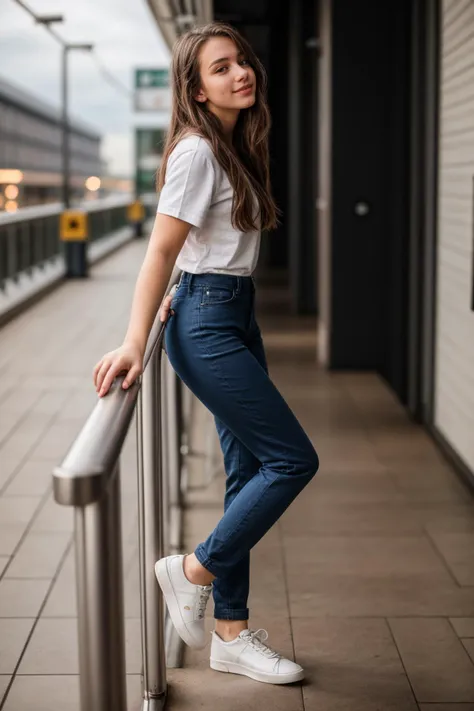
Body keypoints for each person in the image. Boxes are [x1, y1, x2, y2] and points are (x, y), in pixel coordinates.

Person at [92, 21, 319, 686]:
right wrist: (136, 339)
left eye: (242, 61)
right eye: (220, 68)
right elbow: (161, 248)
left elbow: (199, 250)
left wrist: (190, 285)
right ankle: (190, 569)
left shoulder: (235, 145)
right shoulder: (197, 150)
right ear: (195, 88)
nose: (240, 73)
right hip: (210, 324)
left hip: (230, 311)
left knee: (249, 470)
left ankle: (228, 633)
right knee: (292, 458)